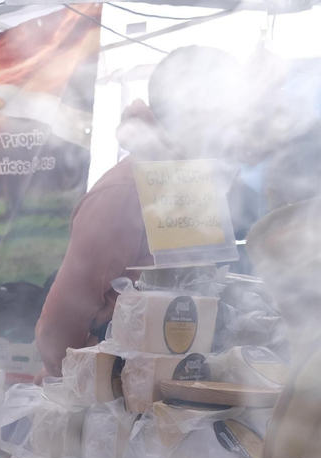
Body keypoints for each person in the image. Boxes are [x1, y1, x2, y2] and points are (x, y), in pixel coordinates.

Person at [35, 47, 247, 375]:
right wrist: (109, 388)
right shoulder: (124, 193)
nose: (239, 124)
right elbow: (57, 332)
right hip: (124, 402)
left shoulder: (200, 186)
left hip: (186, 385)